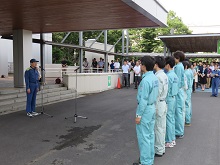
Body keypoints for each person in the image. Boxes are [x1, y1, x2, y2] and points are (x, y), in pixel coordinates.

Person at [135, 56, 159, 165]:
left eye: (140, 64)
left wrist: (138, 115)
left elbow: (143, 100)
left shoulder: (145, 81)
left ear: (144, 65)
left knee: (143, 137)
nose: (140, 66)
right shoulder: (154, 78)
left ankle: (145, 161)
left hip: (145, 110)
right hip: (152, 107)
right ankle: (149, 159)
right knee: (150, 135)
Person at [154, 56, 168, 157]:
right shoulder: (164, 75)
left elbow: (156, 94)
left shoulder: (158, 77)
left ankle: (158, 149)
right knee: (162, 127)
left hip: (159, 103)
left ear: (156, 64)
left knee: (158, 127)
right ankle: (161, 147)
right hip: (164, 102)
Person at [164, 56, 179, 148]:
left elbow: (166, 90)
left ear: (168, 65)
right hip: (174, 98)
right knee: (172, 118)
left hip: (169, 98)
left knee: (168, 120)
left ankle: (169, 140)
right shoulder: (175, 75)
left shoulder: (168, 76)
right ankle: (172, 138)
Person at [173, 51, 185, 139]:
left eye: (175, 57)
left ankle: (179, 131)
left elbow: (176, 81)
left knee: (178, 112)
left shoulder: (178, 67)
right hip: (180, 90)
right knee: (179, 111)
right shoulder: (180, 66)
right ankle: (179, 131)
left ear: (178, 58)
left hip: (178, 91)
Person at [182, 61, 193, 126]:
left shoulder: (186, 73)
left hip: (187, 89)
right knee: (189, 103)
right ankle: (189, 116)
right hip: (190, 89)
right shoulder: (190, 71)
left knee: (186, 104)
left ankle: (187, 120)